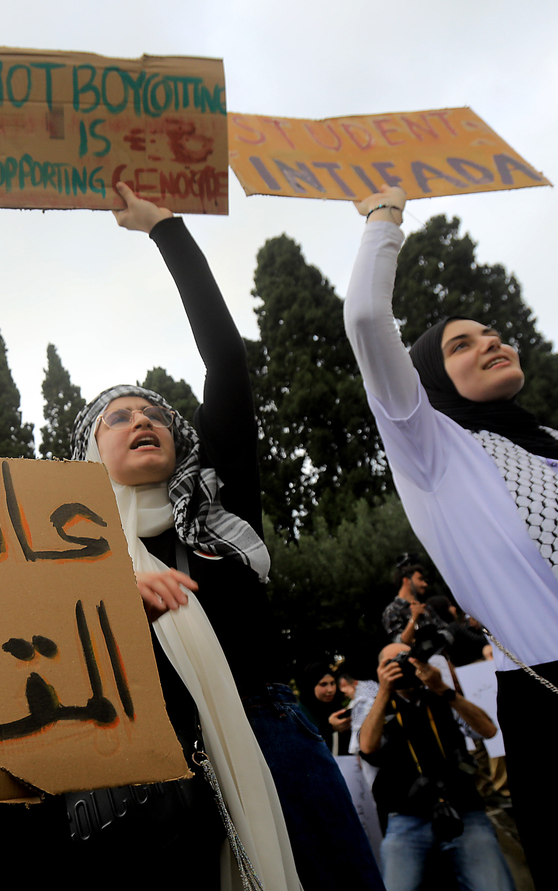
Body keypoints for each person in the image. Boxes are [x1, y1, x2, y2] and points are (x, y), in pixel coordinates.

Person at [70, 182, 384, 890]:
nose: (141, 418)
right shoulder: (72, 549)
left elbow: (227, 364)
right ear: (90, 453)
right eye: (116, 417)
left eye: (153, 409)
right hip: (150, 768)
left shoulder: (220, 505)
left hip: (273, 739)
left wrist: (166, 230)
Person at [343, 185, 558, 888]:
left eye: (492, 333)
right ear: (433, 378)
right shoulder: (437, 455)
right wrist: (384, 220)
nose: (490, 341)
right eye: (460, 344)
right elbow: (369, 318)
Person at [359, 643, 514, 891]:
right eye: (393, 663)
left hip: (463, 809)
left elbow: (488, 730)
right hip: (407, 815)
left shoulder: (441, 697)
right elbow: (367, 746)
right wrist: (383, 692)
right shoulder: (375, 707)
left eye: (407, 661)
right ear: (380, 670)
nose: (401, 668)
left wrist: (443, 688)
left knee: (494, 885)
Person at [298, 663, 352, 755]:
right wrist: (330, 728)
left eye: (332, 683)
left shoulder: (337, 708)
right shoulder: (300, 713)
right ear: (311, 686)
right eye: (323, 684)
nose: (330, 689)